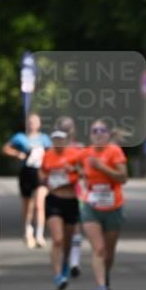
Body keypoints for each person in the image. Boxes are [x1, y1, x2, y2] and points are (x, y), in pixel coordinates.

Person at [76, 119, 127, 290]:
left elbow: (123, 177)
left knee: (109, 253)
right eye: (94, 130)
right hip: (91, 206)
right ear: (90, 134)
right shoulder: (84, 154)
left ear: (108, 134)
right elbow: (76, 170)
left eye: (102, 130)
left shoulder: (114, 152)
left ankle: (106, 276)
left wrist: (102, 167)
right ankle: (102, 288)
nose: (98, 133)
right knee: (98, 248)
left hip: (113, 207)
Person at [1, 112, 52, 248]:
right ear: (26, 123)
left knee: (40, 204)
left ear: (39, 124)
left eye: (35, 121)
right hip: (26, 173)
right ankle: (27, 229)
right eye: (30, 122)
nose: (32, 124)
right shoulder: (20, 137)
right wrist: (18, 154)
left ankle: (39, 234)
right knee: (27, 204)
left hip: (40, 173)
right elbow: (5, 148)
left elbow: (51, 153)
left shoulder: (45, 138)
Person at [39, 130, 81, 290]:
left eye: (61, 139)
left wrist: (73, 170)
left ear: (66, 141)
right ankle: (58, 276)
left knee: (67, 241)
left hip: (70, 200)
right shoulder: (47, 155)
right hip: (54, 199)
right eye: (55, 139)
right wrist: (42, 178)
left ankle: (65, 265)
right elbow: (41, 172)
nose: (58, 142)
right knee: (57, 239)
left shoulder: (74, 155)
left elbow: (84, 172)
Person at [55, 115, 84, 277]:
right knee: (60, 229)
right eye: (64, 128)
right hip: (58, 192)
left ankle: (74, 262)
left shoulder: (79, 148)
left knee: (75, 226)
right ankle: (64, 258)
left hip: (76, 190)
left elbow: (85, 170)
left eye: (69, 128)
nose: (67, 131)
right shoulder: (54, 149)